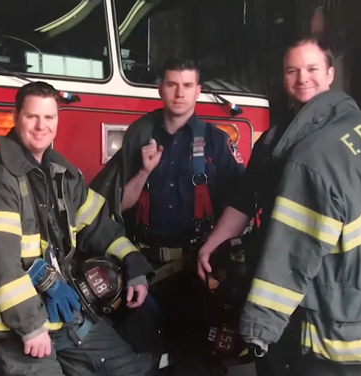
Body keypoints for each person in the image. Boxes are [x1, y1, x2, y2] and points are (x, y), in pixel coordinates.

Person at [198, 37, 361, 376]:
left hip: (333, 299)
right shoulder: (285, 138)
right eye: (292, 70)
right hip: (322, 299)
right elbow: (246, 198)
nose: (302, 78)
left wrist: (258, 326)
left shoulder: (316, 153)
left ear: (330, 74)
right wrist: (213, 244)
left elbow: (294, 248)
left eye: (312, 69)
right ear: (283, 78)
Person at [0, 81, 155, 376]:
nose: (41, 126)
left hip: (59, 313)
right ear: (16, 117)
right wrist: (31, 328)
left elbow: (97, 223)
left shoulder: (60, 172)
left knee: (132, 370)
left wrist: (132, 262)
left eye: (49, 118)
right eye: (32, 117)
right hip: (11, 326)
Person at [91, 57, 245, 375]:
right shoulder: (139, 135)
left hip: (198, 275)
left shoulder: (217, 142)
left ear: (198, 91)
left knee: (196, 364)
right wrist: (144, 171)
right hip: (145, 275)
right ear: (159, 88)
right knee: (139, 362)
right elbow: (115, 206)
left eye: (187, 86)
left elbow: (241, 205)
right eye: (172, 84)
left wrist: (216, 254)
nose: (179, 93)